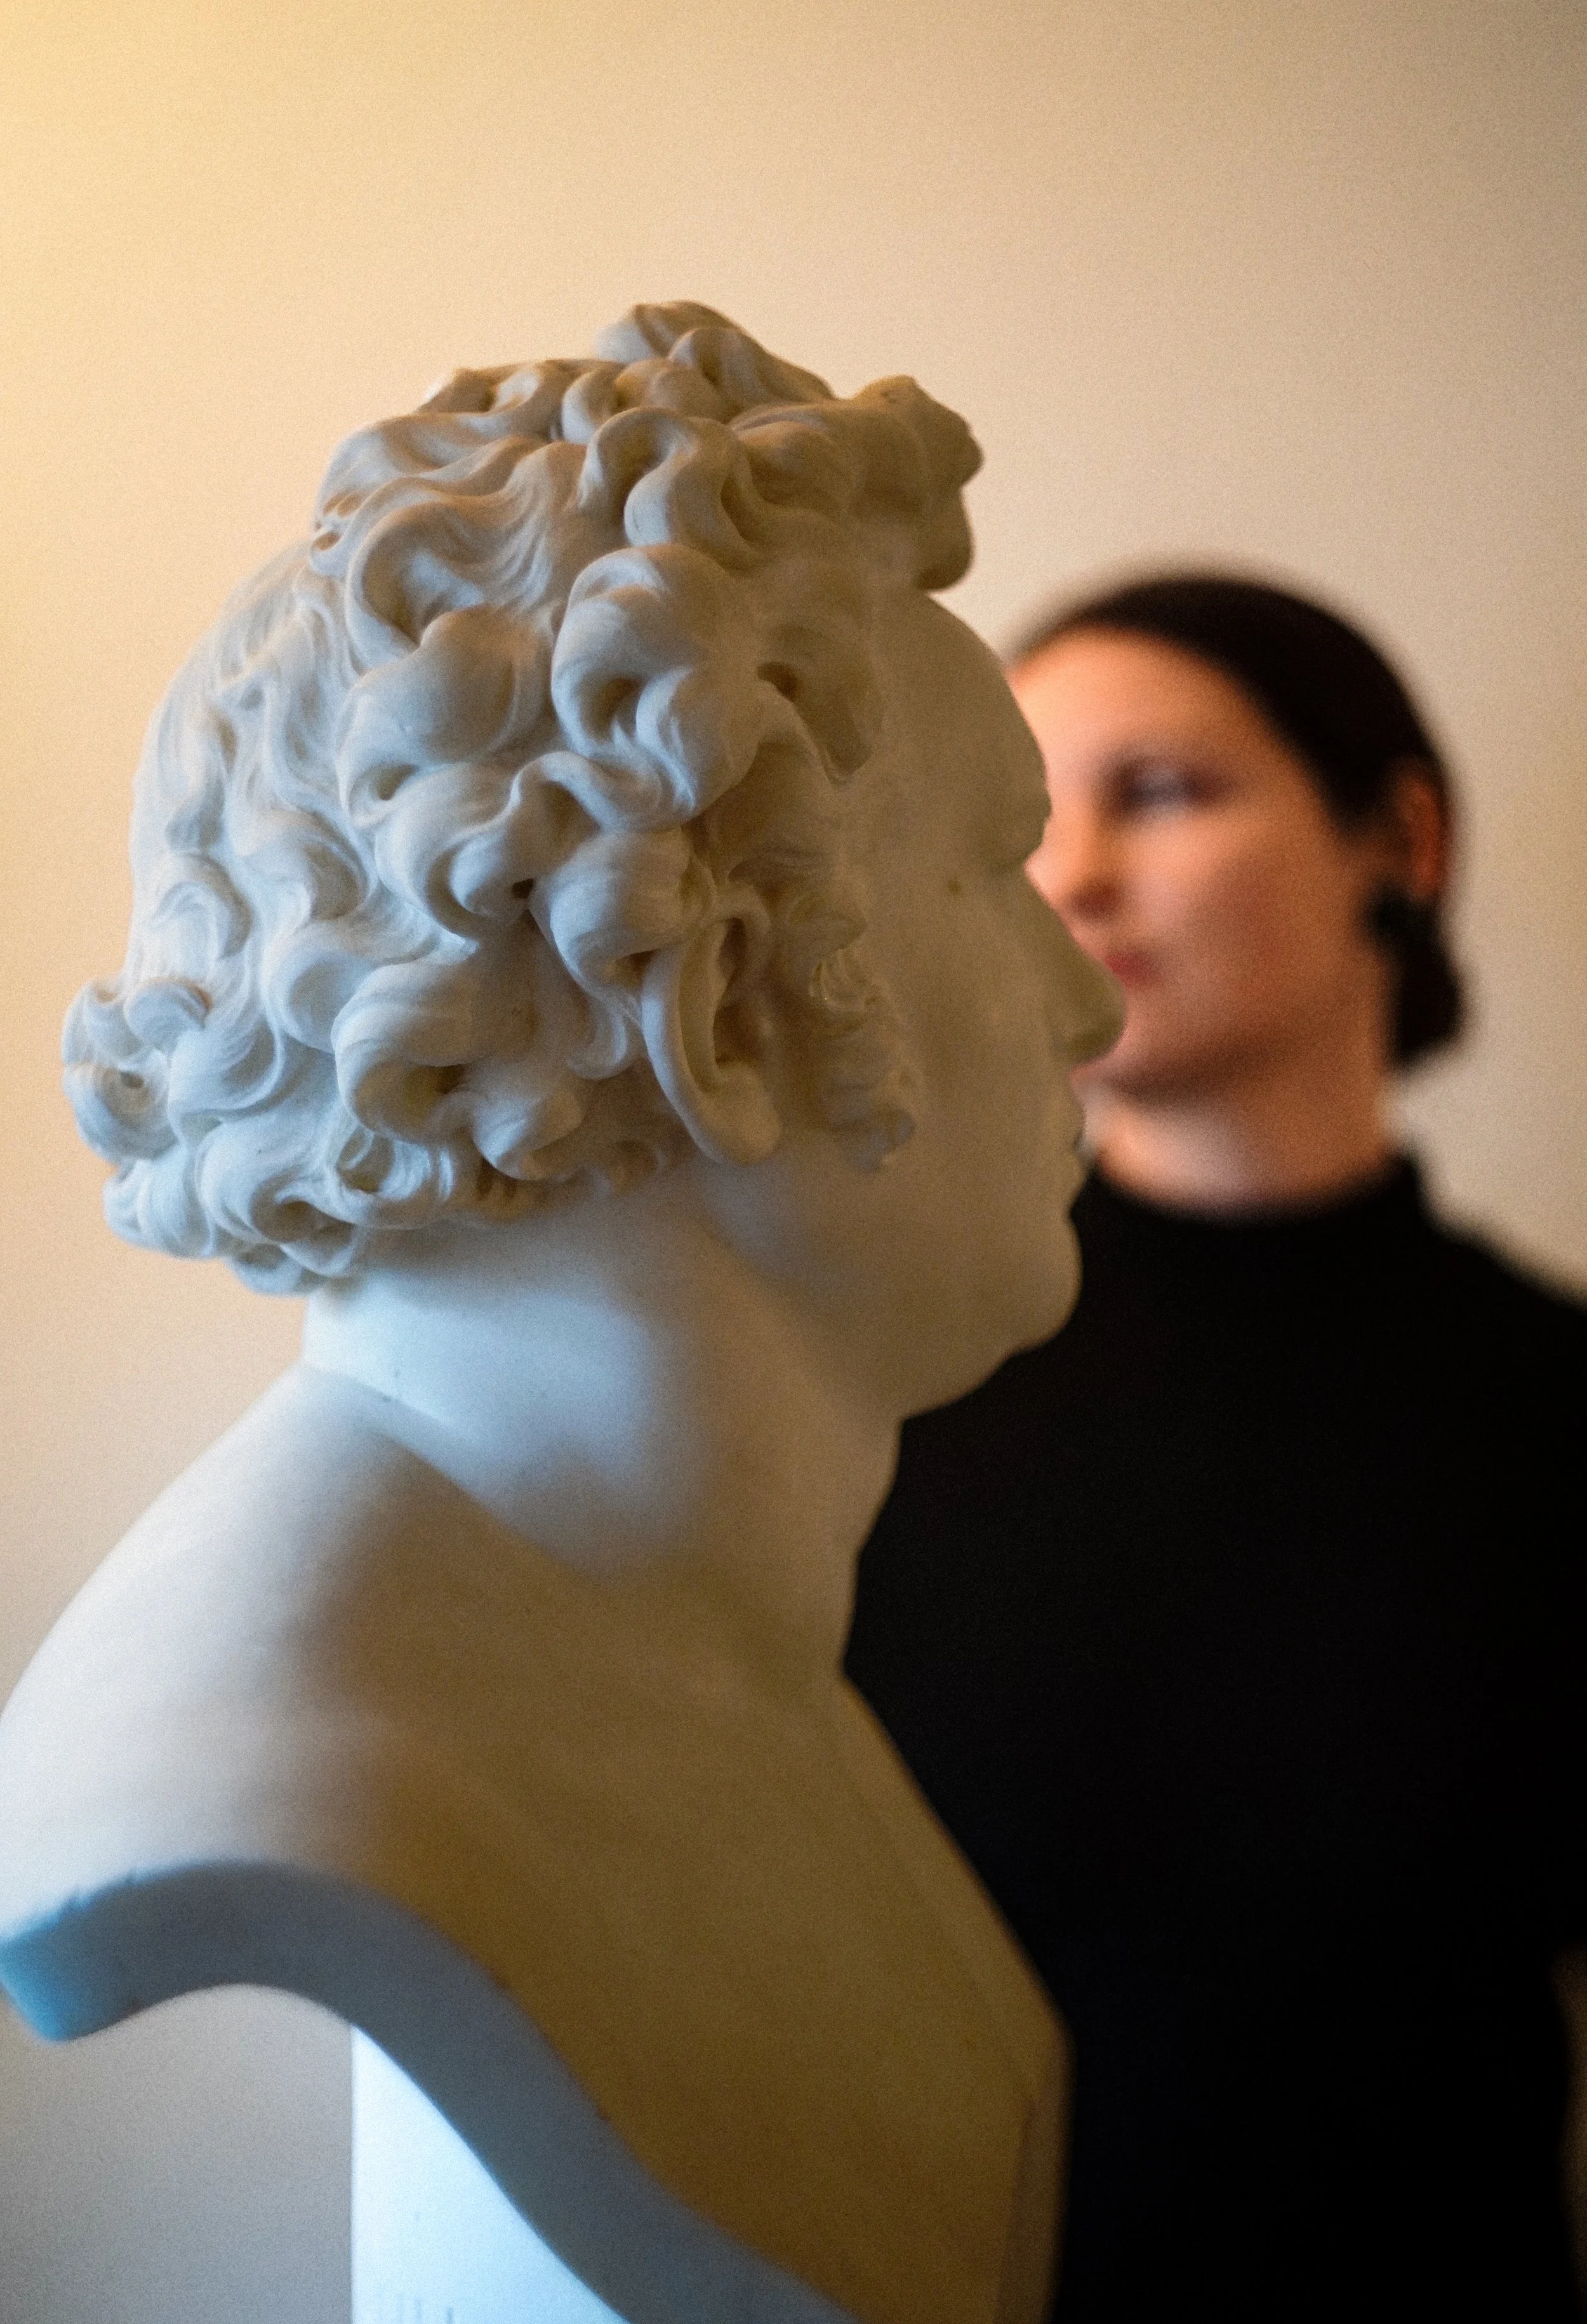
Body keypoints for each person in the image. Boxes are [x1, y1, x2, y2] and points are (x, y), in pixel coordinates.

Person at [1, 306, 1119, 2324]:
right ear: (691, 964)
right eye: (997, 868)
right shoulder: (299, 1757)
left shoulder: (711, 1655)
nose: (1089, 1003)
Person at [845, 572, 1587, 2320]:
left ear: (1394, 837)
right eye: (1028, 816)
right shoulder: (880, 1373)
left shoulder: (1552, 1399)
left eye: (1161, 791)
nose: (1074, 876)